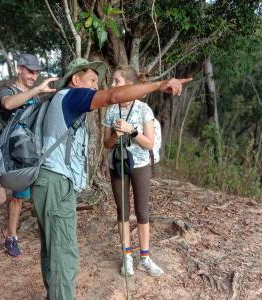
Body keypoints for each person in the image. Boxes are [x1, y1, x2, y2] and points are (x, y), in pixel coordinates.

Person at [31, 57, 191, 299]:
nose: (97, 86)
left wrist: (132, 131)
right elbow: (114, 97)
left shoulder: (60, 100)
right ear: (75, 79)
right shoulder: (72, 96)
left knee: (53, 248)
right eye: (92, 80)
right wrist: (159, 85)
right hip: (55, 182)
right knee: (64, 252)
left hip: (48, 181)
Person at [103, 65, 163, 277]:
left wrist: (132, 131)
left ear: (129, 85)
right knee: (122, 211)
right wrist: (115, 136)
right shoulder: (111, 109)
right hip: (117, 164)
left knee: (142, 211)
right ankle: (126, 256)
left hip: (139, 165)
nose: (112, 85)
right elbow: (106, 144)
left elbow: (148, 143)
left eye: (116, 81)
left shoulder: (143, 109)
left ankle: (145, 258)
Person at [0, 53, 57, 257]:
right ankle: (11, 236)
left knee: (39, 189)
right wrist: (37, 89)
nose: (34, 75)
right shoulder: (8, 91)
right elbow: (8, 104)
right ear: (19, 69)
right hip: (16, 152)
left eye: (36, 72)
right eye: (30, 71)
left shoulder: (35, 94)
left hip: (34, 150)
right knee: (19, 196)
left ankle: (44, 229)